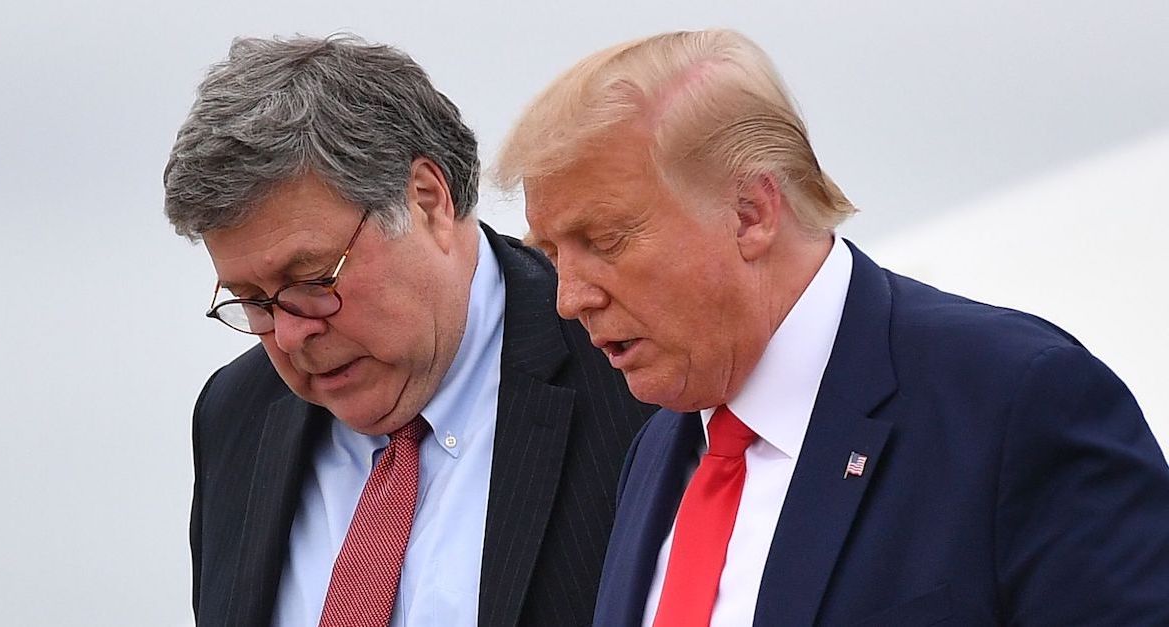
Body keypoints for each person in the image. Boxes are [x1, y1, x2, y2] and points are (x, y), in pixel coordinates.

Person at [494, 29, 1169, 626]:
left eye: (605, 239)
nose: (569, 298)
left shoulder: (1016, 401)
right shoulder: (656, 448)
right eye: (552, 254)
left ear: (752, 212)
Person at [163, 34, 651, 627]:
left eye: (313, 279)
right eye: (253, 302)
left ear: (427, 200)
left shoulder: (630, 372)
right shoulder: (235, 413)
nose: (288, 337)